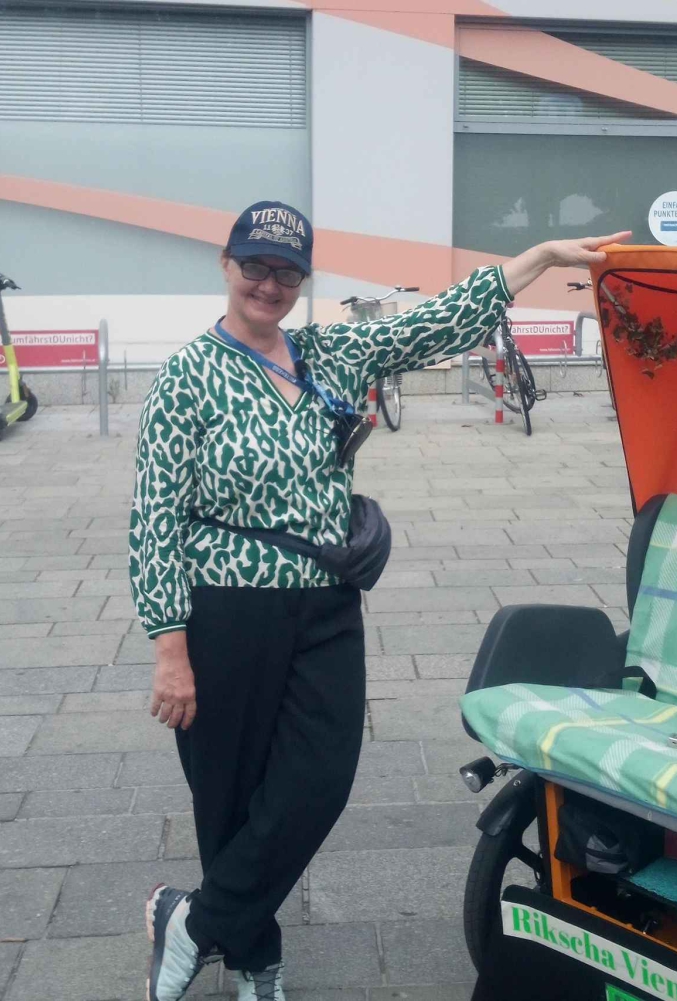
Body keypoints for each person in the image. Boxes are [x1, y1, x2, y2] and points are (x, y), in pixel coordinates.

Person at [129, 198, 626, 1001]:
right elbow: (153, 513)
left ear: (302, 281)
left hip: (325, 605)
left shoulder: (329, 353)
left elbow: (434, 325)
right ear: (226, 265)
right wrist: (169, 645)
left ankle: (190, 920)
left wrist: (537, 257)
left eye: (285, 270)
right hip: (226, 610)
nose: (268, 283)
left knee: (319, 779)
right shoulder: (187, 376)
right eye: (254, 265)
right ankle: (255, 957)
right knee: (230, 796)